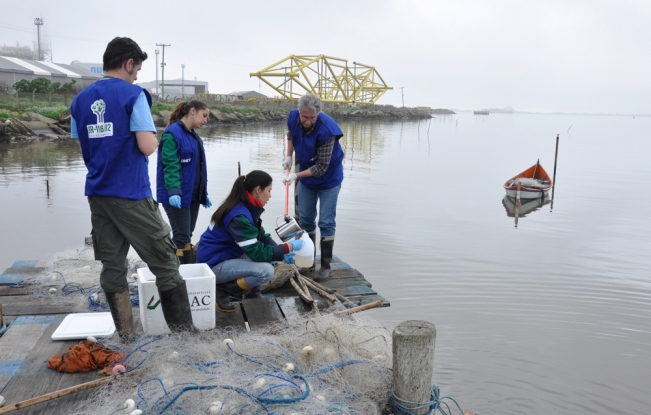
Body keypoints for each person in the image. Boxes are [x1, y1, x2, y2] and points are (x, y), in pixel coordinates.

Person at [70, 37, 198, 337]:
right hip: (131, 193)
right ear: (128, 63)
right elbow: (147, 146)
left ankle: (126, 337)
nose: (137, 76)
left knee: (112, 267)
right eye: (136, 69)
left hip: (98, 193)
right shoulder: (133, 95)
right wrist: (156, 135)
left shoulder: (79, 101)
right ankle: (187, 336)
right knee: (166, 263)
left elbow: (84, 147)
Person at [196, 170, 303, 313]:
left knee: (271, 257)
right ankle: (222, 290)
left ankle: (252, 293)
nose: (270, 196)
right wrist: (288, 247)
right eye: (269, 191)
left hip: (225, 256)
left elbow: (262, 236)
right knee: (266, 270)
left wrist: (281, 251)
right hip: (213, 264)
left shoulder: (245, 206)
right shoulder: (239, 215)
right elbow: (258, 253)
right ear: (258, 190)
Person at [282, 94, 344, 282]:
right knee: (306, 219)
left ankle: (325, 266)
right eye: (304, 117)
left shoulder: (327, 130)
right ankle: (308, 262)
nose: (308, 121)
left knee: (326, 221)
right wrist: (289, 156)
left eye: (312, 118)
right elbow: (291, 134)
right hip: (307, 179)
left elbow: (321, 168)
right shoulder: (293, 116)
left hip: (328, 180)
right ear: (299, 112)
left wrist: (295, 175)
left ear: (318, 114)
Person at [157, 100, 212, 263]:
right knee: (181, 236)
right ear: (192, 111)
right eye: (204, 115)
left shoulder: (194, 136)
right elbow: (170, 165)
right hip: (177, 195)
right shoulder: (172, 134)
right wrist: (174, 192)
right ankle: (175, 274)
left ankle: (186, 269)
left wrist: (203, 193)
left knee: (187, 234)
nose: (205, 120)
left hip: (193, 195)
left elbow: (198, 169)